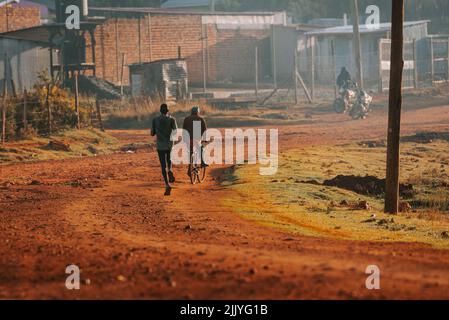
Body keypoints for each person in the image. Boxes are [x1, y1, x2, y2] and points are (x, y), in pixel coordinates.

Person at [151, 104, 178, 196]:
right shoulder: (172, 119)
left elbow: (152, 133)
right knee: (169, 160)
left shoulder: (155, 120)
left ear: (160, 111)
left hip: (160, 145)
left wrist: (158, 131)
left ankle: (167, 185)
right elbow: (176, 132)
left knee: (163, 165)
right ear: (168, 111)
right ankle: (170, 170)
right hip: (169, 144)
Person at [183, 106, 208, 173]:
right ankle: (202, 163)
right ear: (198, 112)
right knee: (200, 149)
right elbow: (204, 130)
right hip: (196, 139)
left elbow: (184, 129)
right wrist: (204, 139)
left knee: (190, 153)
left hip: (188, 139)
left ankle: (189, 169)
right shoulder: (200, 119)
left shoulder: (187, 119)